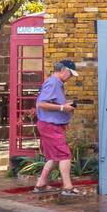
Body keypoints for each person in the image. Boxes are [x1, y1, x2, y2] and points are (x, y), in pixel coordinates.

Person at [34, 60, 82, 196]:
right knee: (64, 155)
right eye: (70, 73)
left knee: (54, 157)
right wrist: (62, 107)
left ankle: (41, 184)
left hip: (51, 125)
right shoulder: (53, 82)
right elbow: (41, 104)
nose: (70, 77)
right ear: (64, 70)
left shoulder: (56, 83)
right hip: (51, 126)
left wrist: (66, 104)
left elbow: (50, 102)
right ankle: (68, 187)